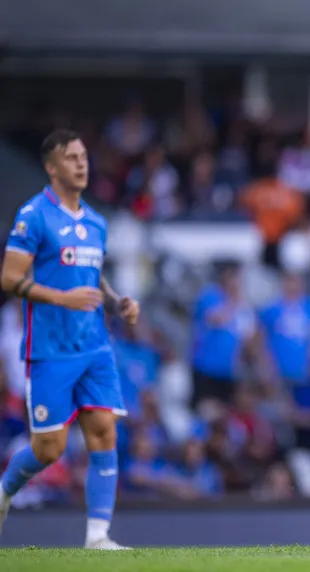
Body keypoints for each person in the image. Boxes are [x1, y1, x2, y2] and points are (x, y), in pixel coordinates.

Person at [0, 129, 140, 550]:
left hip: (94, 347)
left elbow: (92, 274)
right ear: (51, 167)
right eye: (72, 158)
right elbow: (9, 278)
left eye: (84, 156)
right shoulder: (33, 216)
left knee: (103, 432)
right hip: (50, 350)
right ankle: (5, 490)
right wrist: (61, 297)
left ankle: (98, 538)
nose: (82, 164)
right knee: (49, 448)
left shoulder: (96, 221)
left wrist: (116, 303)